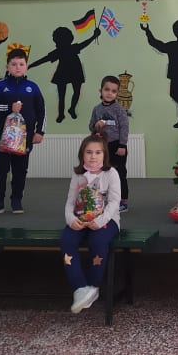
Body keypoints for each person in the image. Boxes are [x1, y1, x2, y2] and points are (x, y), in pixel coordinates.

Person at [60, 134, 121, 313]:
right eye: (89, 152)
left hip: (106, 220)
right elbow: (70, 201)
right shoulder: (78, 174)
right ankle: (80, 288)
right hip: (80, 219)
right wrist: (71, 219)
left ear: (104, 155)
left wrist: (100, 221)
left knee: (98, 241)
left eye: (97, 152)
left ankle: (94, 285)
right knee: (67, 240)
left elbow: (114, 202)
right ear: (82, 154)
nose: (93, 156)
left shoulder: (111, 174)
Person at [0, 47, 45, 216]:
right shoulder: (0, 85)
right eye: (13, 64)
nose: (17, 67)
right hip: (3, 137)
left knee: (20, 170)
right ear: (7, 67)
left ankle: (16, 200)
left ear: (26, 67)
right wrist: (8, 108)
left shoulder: (33, 87)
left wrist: (40, 132)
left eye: (21, 64)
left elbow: (41, 111)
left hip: (24, 138)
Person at [29, 25, 101, 123]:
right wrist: (30, 65)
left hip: (74, 71)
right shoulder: (62, 50)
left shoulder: (68, 49)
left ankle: (71, 109)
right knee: (63, 95)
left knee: (72, 92)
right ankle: (62, 114)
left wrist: (94, 36)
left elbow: (44, 59)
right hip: (64, 72)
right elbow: (44, 59)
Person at [89, 75, 130, 212]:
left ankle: (123, 201)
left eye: (113, 91)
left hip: (117, 146)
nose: (109, 93)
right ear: (100, 91)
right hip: (102, 147)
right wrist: (96, 127)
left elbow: (124, 128)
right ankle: (104, 199)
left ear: (117, 93)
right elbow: (91, 126)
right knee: (103, 174)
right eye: (107, 90)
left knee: (119, 173)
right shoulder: (96, 109)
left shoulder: (119, 109)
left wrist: (122, 145)